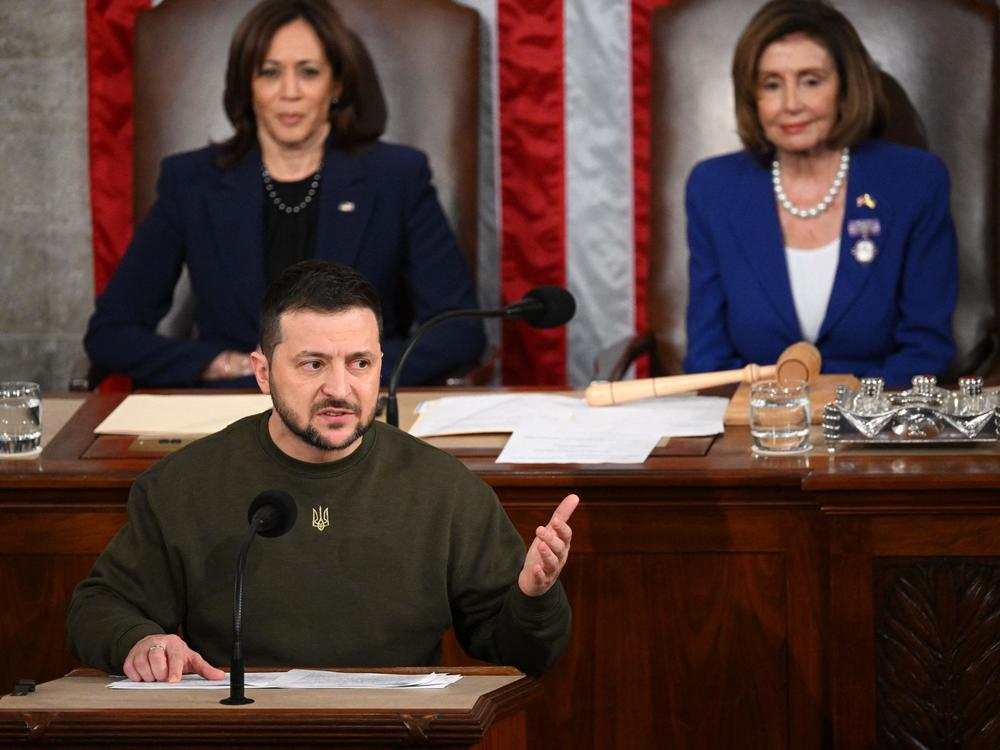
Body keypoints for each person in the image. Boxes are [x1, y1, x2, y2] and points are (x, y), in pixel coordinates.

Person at [68, 259, 576, 681]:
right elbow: (97, 607)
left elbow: (527, 652)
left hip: (394, 736)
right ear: (264, 372)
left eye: (359, 364)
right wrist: (142, 640)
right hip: (239, 732)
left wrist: (534, 597)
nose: (340, 388)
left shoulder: (445, 490)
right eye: (313, 364)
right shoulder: (183, 485)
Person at [84, 0, 485, 389]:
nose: (288, 92)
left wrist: (344, 372)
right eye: (270, 72)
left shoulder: (397, 177)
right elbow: (111, 333)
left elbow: (458, 331)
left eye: (308, 72)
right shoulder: (192, 181)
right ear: (248, 85)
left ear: (337, 84)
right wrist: (220, 365)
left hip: (354, 411)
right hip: (232, 413)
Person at [683, 0, 957, 386]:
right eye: (771, 84)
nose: (791, 104)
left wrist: (835, 407)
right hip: (752, 425)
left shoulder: (915, 182)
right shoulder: (713, 188)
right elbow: (708, 359)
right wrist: (772, 414)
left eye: (811, 80)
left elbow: (926, 351)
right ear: (752, 98)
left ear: (845, 89)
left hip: (875, 426)